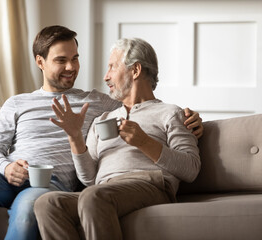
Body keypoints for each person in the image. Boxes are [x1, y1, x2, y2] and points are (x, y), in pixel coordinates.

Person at [0, 26, 202, 240]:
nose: (72, 66)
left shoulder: (103, 104)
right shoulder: (102, 115)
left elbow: (149, 111)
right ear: (40, 62)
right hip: (19, 175)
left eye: (75, 58)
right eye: (61, 60)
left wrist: (190, 120)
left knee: (41, 204)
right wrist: (7, 166)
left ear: (134, 70)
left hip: (68, 182)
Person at [34, 38, 201, 240]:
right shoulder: (103, 119)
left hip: (150, 185)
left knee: (93, 196)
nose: (106, 77)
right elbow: (89, 179)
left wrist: (144, 142)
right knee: (47, 203)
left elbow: (191, 169)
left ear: (135, 70)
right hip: (104, 189)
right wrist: (75, 137)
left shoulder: (170, 113)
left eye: (112, 67)